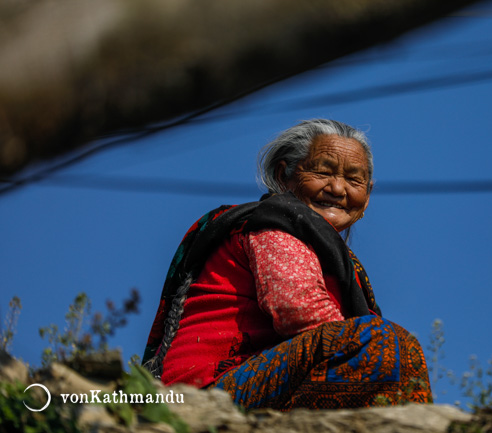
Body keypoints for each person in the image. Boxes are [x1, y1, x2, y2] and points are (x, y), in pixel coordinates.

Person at [142, 119, 432, 410]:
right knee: (381, 342)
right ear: (284, 176)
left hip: (264, 381)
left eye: (354, 180)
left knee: (400, 355)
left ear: (367, 197)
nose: (337, 188)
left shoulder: (335, 259)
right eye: (323, 171)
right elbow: (299, 311)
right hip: (206, 390)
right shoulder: (276, 225)